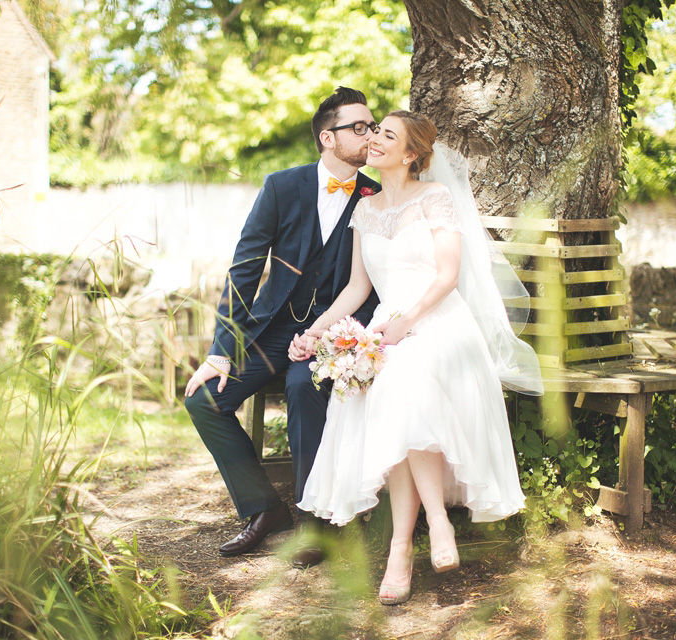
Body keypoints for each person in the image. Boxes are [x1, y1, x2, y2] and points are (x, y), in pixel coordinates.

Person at [292, 110, 544, 604]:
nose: (374, 141)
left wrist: (409, 321)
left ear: (410, 154)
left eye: (387, 135)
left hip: (440, 321)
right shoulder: (365, 209)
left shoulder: (435, 198)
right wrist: (318, 331)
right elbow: (356, 288)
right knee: (396, 387)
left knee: (402, 385)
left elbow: (447, 275)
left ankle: (402, 547)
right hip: (387, 327)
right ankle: (431, 528)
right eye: (374, 133)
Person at [183, 87, 380, 567]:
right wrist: (221, 350)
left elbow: (367, 285)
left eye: (372, 126)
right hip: (270, 329)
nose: (369, 135)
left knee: (302, 387)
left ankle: (316, 525)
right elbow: (244, 269)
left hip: (335, 331)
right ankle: (264, 508)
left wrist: (332, 336)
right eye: (358, 127)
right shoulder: (281, 186)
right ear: (326, 139)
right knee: (203, 399)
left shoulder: (376, 195)